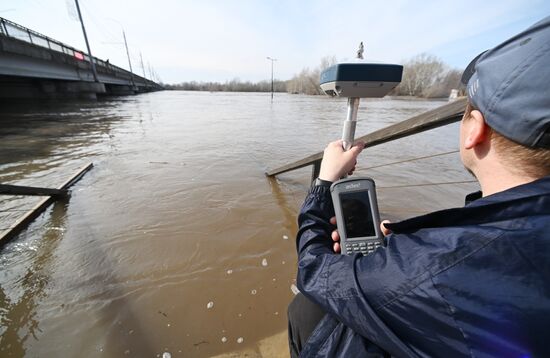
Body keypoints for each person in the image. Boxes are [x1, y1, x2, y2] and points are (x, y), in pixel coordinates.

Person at [288, 16, 550, 357]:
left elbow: (314, 272)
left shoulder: (430, 267)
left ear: (476, 131)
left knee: (303, 311)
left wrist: (323, 184)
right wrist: (404, 251)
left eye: (465, 113)